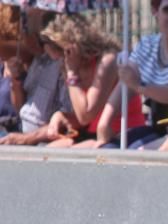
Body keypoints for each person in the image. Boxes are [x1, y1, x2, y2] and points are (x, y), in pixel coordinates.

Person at [88, 0, 168, 148]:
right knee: (108, 148)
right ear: (155, 10)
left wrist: (140, 86)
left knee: (135, 153)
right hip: (157, 126)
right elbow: (126, 83)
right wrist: (104, 122)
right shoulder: (147, 45)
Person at [39, 14, 144, 147]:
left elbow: (86, 114)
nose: (60, 58)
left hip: (121, 133)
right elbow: (81, 114)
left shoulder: (107, 61)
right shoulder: (71, 64)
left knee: (67, 154)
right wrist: (61, 115)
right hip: (93, 133)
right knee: (48, 150)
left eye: (60, 50)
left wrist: (72, 73)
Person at [0, 10, 65, 146]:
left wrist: (26, 139)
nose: (24, 39)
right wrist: (15, 82)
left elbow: (68, 122)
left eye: (28, 33)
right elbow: (20, 109)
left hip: (41, 142)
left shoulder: (65, 68)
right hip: (19, 130)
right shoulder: (39, 61)